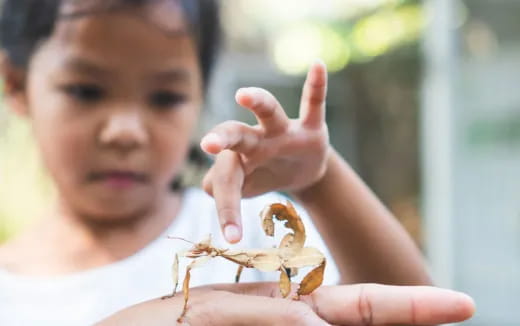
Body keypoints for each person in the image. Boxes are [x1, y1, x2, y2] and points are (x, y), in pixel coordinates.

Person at [0, 0, 473, 325]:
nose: (126, 131)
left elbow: (406, 310)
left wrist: (320, 180)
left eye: (165, 96)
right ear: (16, 85)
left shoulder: (243, 226)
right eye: (86, 90)